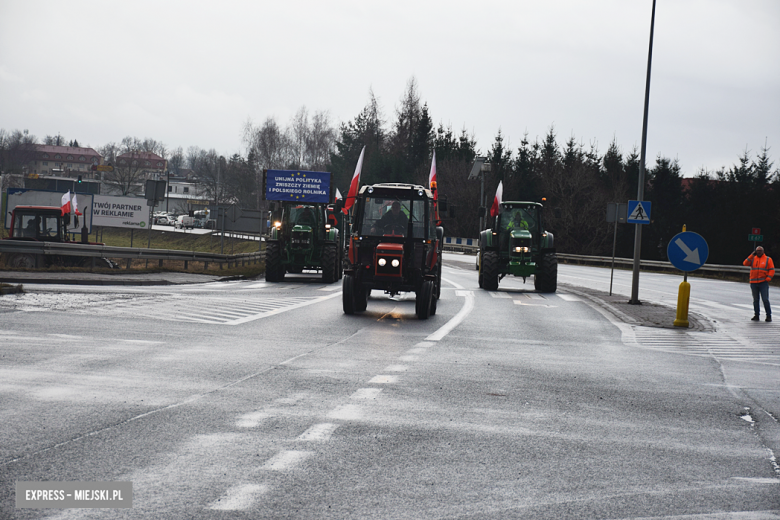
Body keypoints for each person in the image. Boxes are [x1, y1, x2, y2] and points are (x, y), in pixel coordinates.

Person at [743, 246, 774, 322]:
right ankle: (756, 315)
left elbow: (772, 270)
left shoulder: (768, 259)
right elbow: (745, 263)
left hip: (763, 282)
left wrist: (768, 278)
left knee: (765, 299)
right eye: (757, 251)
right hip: (754, 283)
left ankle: (768, 316)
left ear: (763, 251)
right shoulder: (753, 258)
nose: (759, 252)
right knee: (756, 300)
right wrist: (751, 255)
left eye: (760, 251)